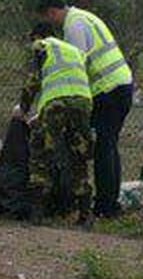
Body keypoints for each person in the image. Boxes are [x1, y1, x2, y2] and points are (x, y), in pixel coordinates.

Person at [37, 0, 134, 219]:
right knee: (109, 146)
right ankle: (110, 203)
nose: (52, 24)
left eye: (49, 18)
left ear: (52, 12)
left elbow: (75, 63)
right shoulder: (85, 16)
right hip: (120, 85)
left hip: (108, 90)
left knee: (103, 148)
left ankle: (105, 207)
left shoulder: (73, 25)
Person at [18, 22, 94, 226]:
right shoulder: (75, 51)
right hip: (82, 103)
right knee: (78, 155)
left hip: (55, 105)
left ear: (37, 36)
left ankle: (37, 213)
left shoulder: (41, 46)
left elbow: (34, 80)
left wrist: (23, 108)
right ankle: (85, 215)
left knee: (41, 153)